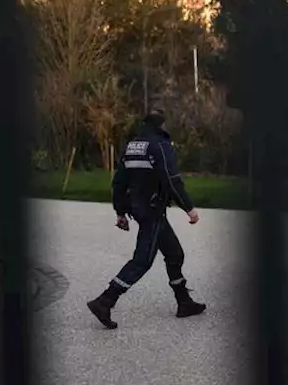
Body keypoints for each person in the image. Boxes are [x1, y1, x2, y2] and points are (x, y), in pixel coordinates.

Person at [87, 106, 206, 329]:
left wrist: (120, 211)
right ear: (161, 125)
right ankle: (105, 301)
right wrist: (189, 209)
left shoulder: (132, 146)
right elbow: (172, 181)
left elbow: (119, 182)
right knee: (142, 260)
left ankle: (184, 302)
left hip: (139, 209)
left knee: (174, 254)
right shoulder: (160, 146)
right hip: (152, 211)